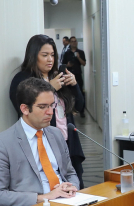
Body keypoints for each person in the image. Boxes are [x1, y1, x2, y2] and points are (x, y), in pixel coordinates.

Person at [0, 78, 80, 206]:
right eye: (43, 107)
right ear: (25, 109)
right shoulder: (1, 143)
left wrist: (72, 186)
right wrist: (43, 198)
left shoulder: (56, 134)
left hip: (66, 204)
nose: (50, 112)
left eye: (51, 105)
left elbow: (70, 173)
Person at [10, 34, 86, 189]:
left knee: (75, 187)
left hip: (67, 140)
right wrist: (50, 88)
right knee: (50, 188)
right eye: (44, 55)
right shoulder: (23, 79)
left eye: (52, 55)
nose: (50, 59)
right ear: (33, 56)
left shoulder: (58, 75)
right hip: (42, 144)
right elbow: (22, 108)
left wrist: (75, 85)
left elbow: (79, 106)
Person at [64, 36, 86, 117]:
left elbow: (84, 63)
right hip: (68, 76)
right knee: (69, 94)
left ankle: (82, 111)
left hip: (78, 76)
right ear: (70, 42)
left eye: (75, 41)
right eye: (72, 41)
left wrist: (78, 57)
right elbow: (63, 64)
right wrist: (68, 65)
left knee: (80, 92)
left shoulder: (81, 52)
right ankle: (70, 110)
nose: (74, 42)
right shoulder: (67, 53)